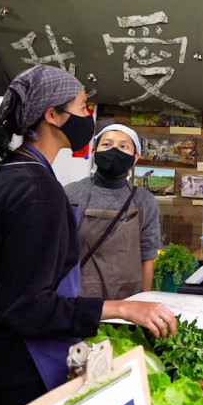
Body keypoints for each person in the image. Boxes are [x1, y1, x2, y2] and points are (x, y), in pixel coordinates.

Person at [0, 65, 176, 405]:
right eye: (82, 107)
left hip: (7, 365)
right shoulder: (39, 193)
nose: (88, 118)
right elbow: (26, 307)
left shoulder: (13, 174)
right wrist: (123, 308)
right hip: (25, 373)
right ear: (52, 115)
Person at [64, 124, 162, 299]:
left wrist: (143, 302)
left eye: (123, 146)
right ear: (94, 152)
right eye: (106, 145)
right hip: (77, 300)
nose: (114, 151)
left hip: (128, 300)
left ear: (135, 157)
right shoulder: (71, 193)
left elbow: (147, 256)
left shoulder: (144, 201)